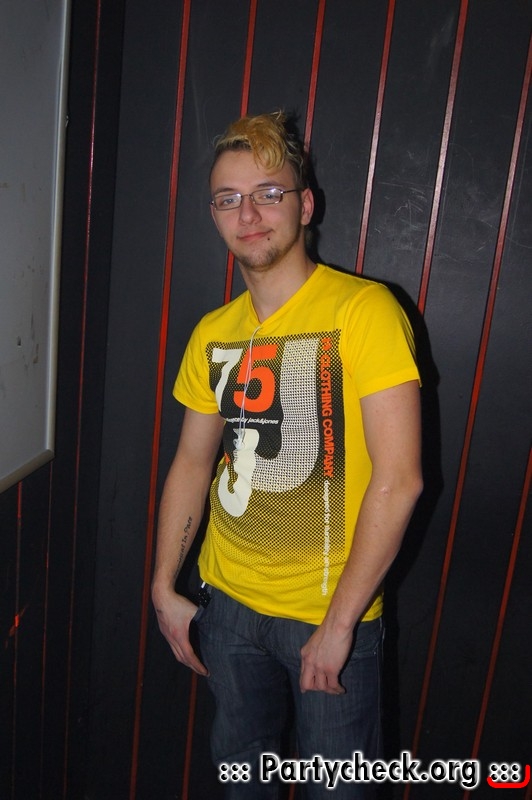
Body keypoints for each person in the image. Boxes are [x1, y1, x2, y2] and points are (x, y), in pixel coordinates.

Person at [152, 111, 423, 798]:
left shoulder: (365, 311)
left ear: (305, 205)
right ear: (214, 216)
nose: (248, 214)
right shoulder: (214, 332)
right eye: (228, 199)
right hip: (227, 609)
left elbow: (399, 481)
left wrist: (340, 625)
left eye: (268, 193)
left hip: (328, 616)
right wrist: (163, 584)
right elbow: (191, 463)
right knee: (244, 781)